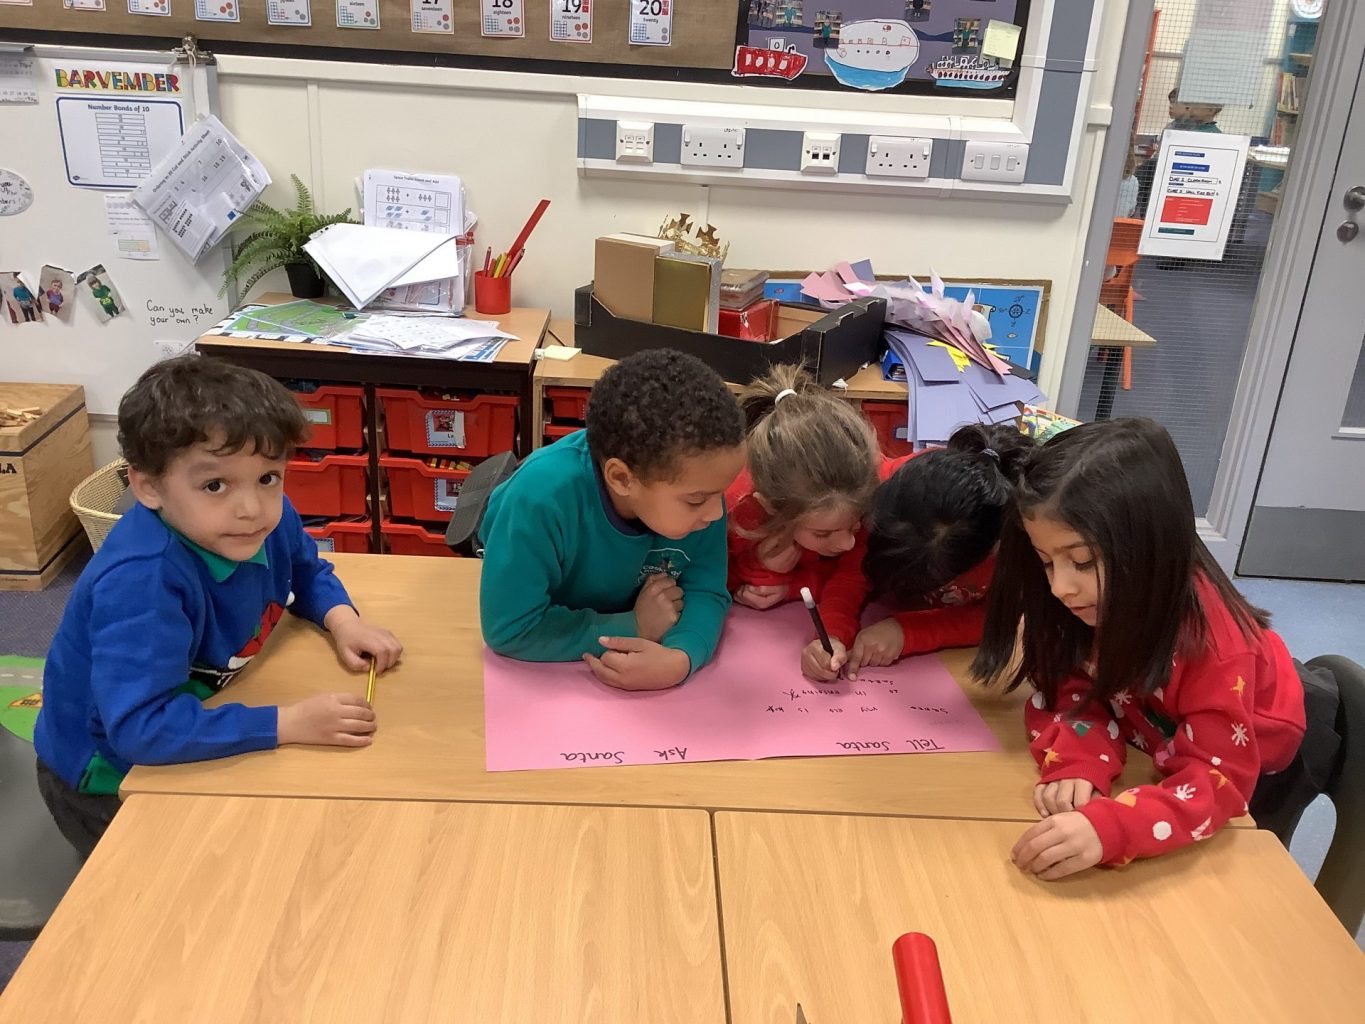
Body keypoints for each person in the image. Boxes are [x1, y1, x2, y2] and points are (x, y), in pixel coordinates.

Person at [33, 356, 403, 858]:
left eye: (269, 477)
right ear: (148, 487)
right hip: (108, 778)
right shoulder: (142, 580)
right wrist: (287, 723)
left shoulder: (264, 517)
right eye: (215, 485)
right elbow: (141, 730)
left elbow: (305, 570)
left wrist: (343, 620)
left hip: (196, 713)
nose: (252, 508)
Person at [971, 418, 1338, 880]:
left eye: (1081, 561)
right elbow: (1071, 686)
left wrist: (1113, 828)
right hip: (1160, 722)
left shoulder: (1217, 647)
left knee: (1236, 876)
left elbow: (1217, 782)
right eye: (1046, 561)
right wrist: (1081, 759)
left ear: (1150, 546)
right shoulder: (1088, 601)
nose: (1060, 587)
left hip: (1262, 751)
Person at [479, 348, 745, 692]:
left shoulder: (699, 491)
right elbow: (511, 628)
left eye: (720, 493)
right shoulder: (538, 499)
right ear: (621, 479)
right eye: (696, 500)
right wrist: (634, 626)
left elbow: (705, 589)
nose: (716, 513)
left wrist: (681, 658)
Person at [801, 423, 1033, 681]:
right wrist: (832, 634)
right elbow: (853, 575)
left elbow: (999, 618)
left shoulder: (1024, 540)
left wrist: (906, 632)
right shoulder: (892, 498)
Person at [726, 364, 881, 611]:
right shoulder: (734, 510)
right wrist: (756, 566)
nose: (847, 543)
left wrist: (791, 586)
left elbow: (859, 575)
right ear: (772, 506)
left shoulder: (860, 488)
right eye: (823, 534)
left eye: (854, 526)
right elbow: (703, 580)